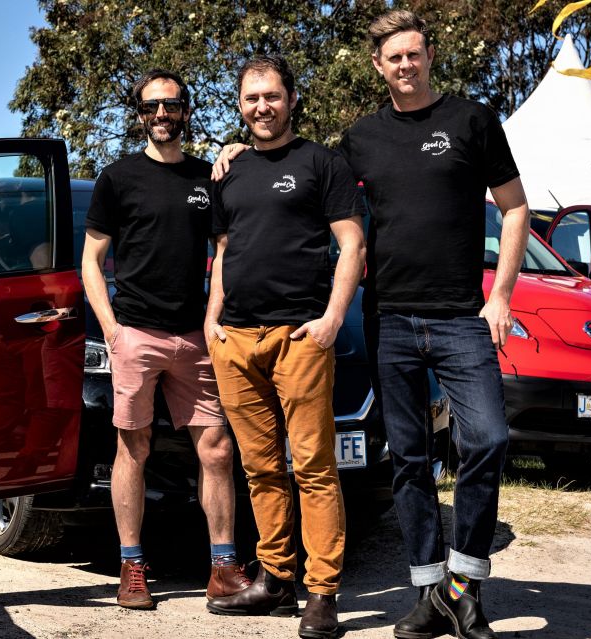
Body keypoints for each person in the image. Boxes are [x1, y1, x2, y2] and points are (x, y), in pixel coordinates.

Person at [213, 11, 530, 639]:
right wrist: (233, 152)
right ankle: (427, 592)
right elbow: (292, 195)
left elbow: (515, 207)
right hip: (389, 318)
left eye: (413, 54)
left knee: (487, 440)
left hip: (463, 318)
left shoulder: (471, 120)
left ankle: (465, 585)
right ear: (378, 66)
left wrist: (502, 297)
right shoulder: (357, 140)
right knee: (408, 459)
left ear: (429, 55)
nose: (405, 66)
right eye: (393, 58)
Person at [203, 55, 365, 639]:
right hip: (235, 339)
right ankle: (274, 578)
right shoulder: (229, 171)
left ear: (292, 99)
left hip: (299, 337)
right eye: (251, 98)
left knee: (315, 469)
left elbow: (352, 245)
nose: (261, 107)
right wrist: (211, 320)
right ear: (240, 104)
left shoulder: (322, 162)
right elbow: (224, 249)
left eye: (272, 96)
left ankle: (323, 593)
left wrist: (331, 319)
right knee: (261, 468)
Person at [81, 69, 248, 610]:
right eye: (150, 106)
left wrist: (213, 317)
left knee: (217, 449)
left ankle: (223, 568)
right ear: (138, 114)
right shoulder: (117, 178)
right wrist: (111, 329)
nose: (160, 115)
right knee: (134, 448)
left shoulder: (207, 178)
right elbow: (91, 261)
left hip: (195, 337)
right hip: (136, 335)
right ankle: (132, 566)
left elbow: (223, 251)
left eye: (170, 105)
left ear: (184, 111)